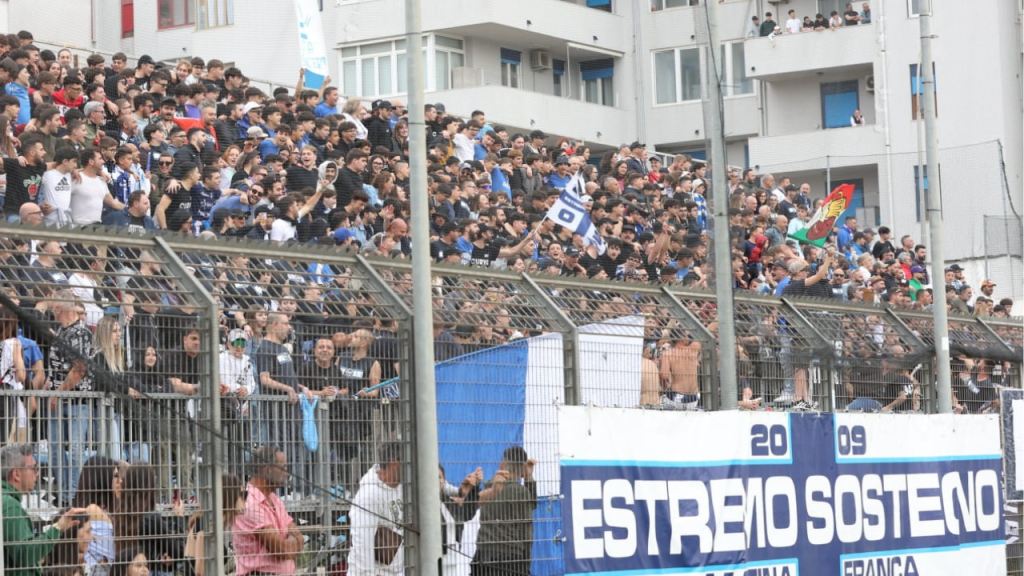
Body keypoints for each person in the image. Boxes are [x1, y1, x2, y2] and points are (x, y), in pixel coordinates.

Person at [2, 443, 87, 576]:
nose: (38, 473)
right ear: (17, 474)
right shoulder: (10, 506)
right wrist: (58, 528)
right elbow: (25, 554)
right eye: (34, 468)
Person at [233, 447, 303, 576]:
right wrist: (292, 540)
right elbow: (281, 550)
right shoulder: (250, 504)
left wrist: (290, 542)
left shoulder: (274, 500)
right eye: (283, 468)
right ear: (267, 470)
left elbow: (300, 538)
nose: (287, 473)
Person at [471, 446, 537, 576]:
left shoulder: (489, 486)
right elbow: (527, 531)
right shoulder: (521, 492)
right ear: (523, 469)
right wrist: (528, 478)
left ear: (501, 465)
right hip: (511, 557)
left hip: (483, 553)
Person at [348, 443, 405, 576]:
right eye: (408, 463)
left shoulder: (402, 487)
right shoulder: (369, 494)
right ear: (394, 463)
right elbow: (362, 545)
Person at [184, 472, 245, 576]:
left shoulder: (210, 522)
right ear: (230, 496)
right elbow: (200, 571)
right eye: (242, 495)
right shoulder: (206, 524)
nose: (245, 500)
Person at [659, 330, 702, 410]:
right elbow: (699, 338)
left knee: (662, 399)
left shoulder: (668, 354)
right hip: (694, 397)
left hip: (676, 397)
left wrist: (666, 385)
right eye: (686, 336)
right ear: (683, 337)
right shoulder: (694, 349)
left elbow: (664, 375)